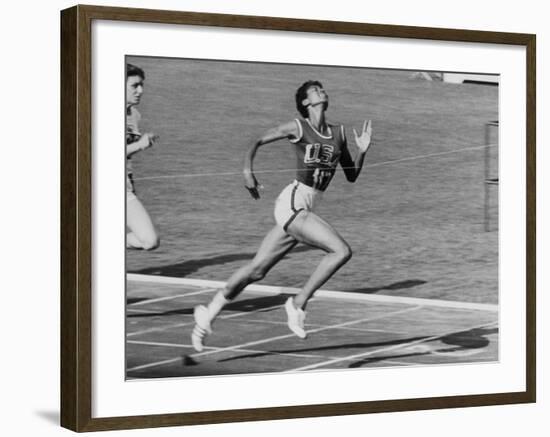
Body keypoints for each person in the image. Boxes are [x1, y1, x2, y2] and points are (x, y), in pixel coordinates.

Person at [191, 80, 373, 351]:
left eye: (322, 89)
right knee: (340, 251)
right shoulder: (298, 127)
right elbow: (257, 140)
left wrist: (362, 151)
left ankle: (208, 314)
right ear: (305, 103)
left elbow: (351, 175)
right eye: (316, 90)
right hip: (292, 203)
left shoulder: (339, 133)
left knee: (257, 270)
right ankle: (297, 303)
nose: (322, 91)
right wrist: (247, 171)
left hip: (307, 209)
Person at [126, 63, 160, 250]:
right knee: (149, 241)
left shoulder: (134, 115)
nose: (140, 91)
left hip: (125, 185)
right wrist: (139, 145)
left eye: (142, 85)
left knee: (151, 241)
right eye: (134, 86)